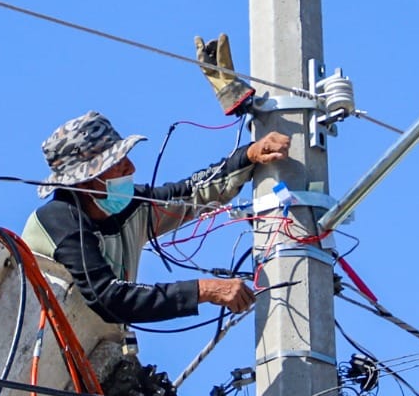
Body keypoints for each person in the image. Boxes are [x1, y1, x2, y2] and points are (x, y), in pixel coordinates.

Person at [22, 110, 290, 326]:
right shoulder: (59, 221)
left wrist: (248, 155)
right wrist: (204, 289)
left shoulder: (130, 206)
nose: (132, 168)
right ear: (85, 181)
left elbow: (191, 193)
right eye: (117, 164)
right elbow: (109, 298)